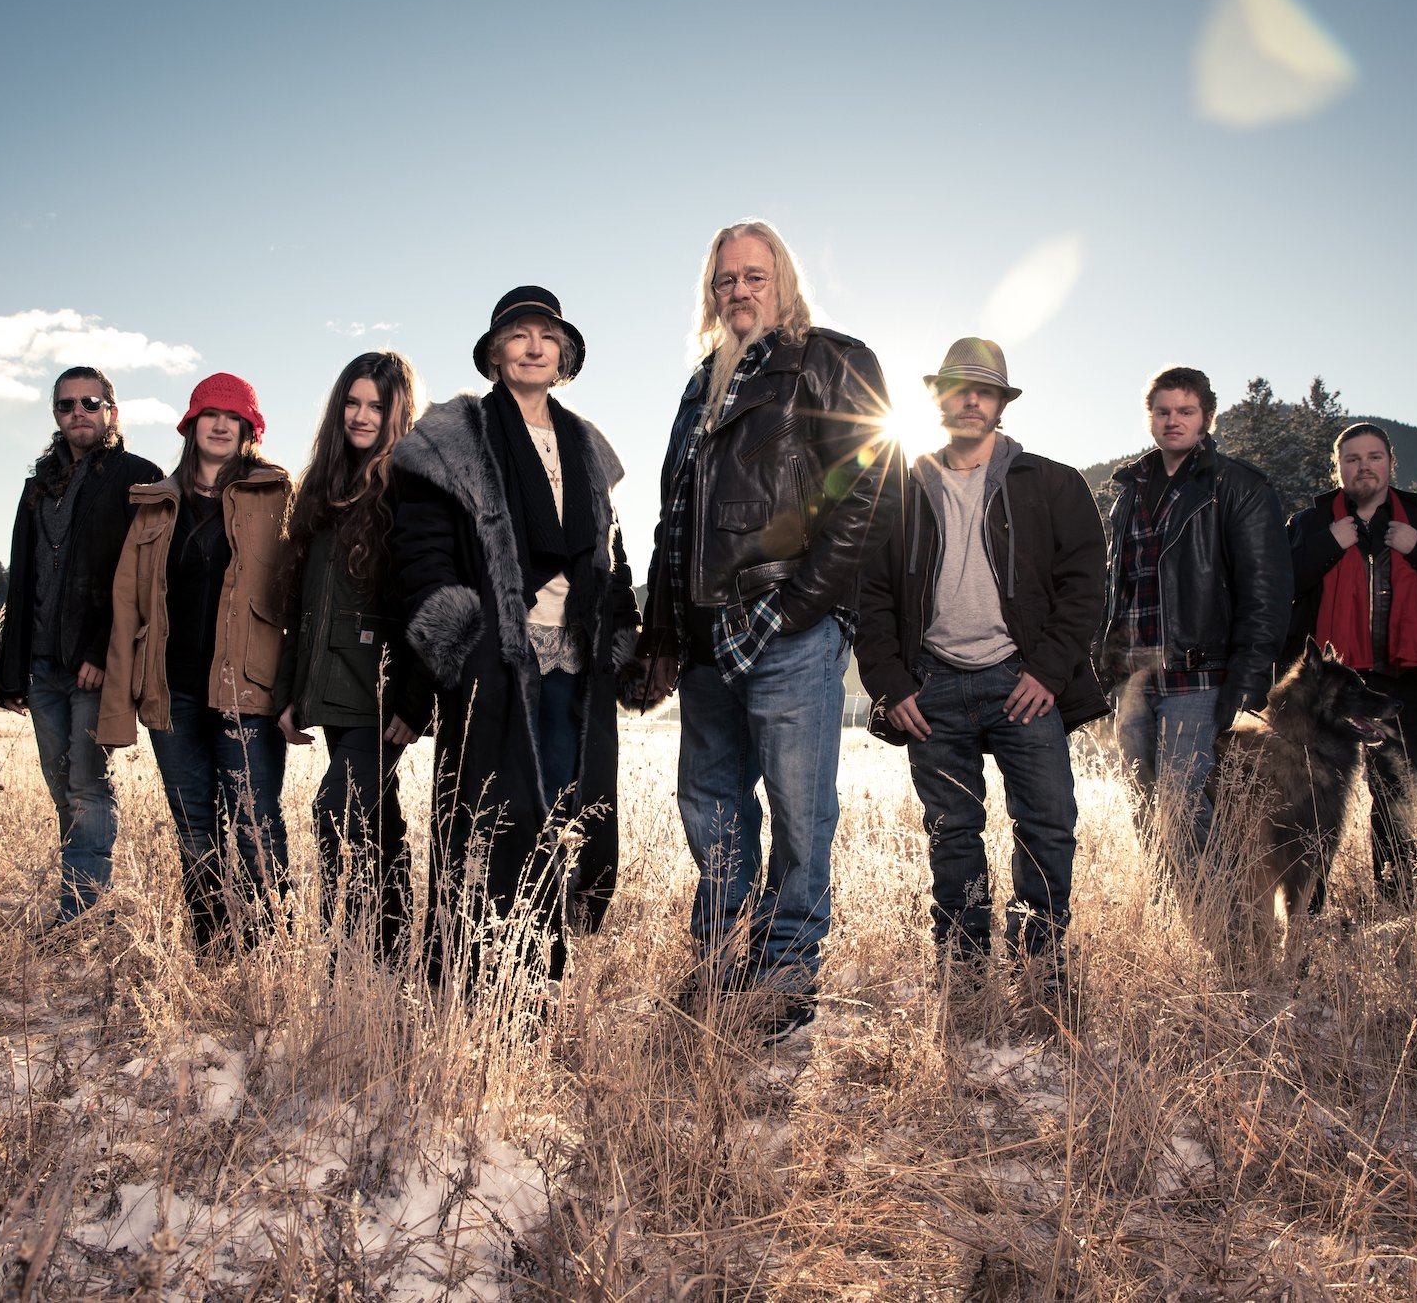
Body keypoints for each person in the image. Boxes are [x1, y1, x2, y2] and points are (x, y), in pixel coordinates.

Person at [639, 220, 892, 1042]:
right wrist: (663, 634)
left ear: (782, 280)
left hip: (790, 629)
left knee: (798, 809)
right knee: (710, 806)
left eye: (754, 276)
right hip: (710, 635)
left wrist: (797, 608)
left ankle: (786, 977)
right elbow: (673, 518)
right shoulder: (699, 387)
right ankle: (719, 963)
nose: (738, 292)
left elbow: (866, 496)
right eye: (724, 281)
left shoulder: (830, 359)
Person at [392, 287, 639, 990]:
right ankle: (477, 977)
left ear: (563, 356)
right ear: (496, 353)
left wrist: (620, 636)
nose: (534, 345)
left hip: (572, 661)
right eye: (518, 334)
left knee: (563, 816)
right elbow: (422, 550)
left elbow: (609, 558)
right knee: (489, 820)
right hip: (497, 660)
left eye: (547, 336)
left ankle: (539, 976)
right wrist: (463, 643)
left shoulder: (586, 445)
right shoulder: (457, 434)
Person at [856, 339, 1106, 1001]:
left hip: (1023, 683)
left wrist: (1048, 671)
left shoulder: (1051, 484)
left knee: (1048, 824)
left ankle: (1042, 974)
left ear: (1000, 403)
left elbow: (1085, 586)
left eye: (984, 390)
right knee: (952, 834)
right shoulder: (899, 487)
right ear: (938, 398)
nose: (970, 400)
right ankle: (964, 979)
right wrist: (891, 683)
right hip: (933, 685)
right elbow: (871, 595)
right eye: (958, 388)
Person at [96, 373, 292, 954]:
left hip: (246, 690)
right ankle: (212, 947)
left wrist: (293, 688)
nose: (220, 424)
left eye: (234, 417)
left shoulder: (277, 496)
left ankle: (270, 947)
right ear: (191, 424)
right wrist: (118, 706)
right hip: (174, 688)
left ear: (250, 429)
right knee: (194, 827)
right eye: (210, 413)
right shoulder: (158, 503)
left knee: (255, 822)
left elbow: (298, 594)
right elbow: (128, 603)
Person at [277, 352, 435, 961]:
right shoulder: (322, 489)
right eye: (353, 402)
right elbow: (304, 610)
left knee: (334, 811)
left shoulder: (411, 485)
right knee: (378, 821)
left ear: (398, 412)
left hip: (383, 694)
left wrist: (413, 696)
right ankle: (382, 959)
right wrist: (295, 693)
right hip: (335, 689)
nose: (362, 415)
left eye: (376, 405)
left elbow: (429, 596)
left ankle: (354, 943)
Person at [1286, 422, 1417, 906]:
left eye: (1373, 456)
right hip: (1334, 688)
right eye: (1352, 459)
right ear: (1339, 467)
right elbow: (1278, 587)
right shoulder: (1310, 526)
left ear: (1391, 463)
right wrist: (1330, 543)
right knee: (1313, 795)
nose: (1363, 466)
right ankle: (1308, 910)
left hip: (1408, 681)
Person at [1100, 366, 1289, 863]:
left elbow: (1265, 595)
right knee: (1144, 807)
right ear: (1150, 419)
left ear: (1207, 417)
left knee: (1186, 807)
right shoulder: (1129, 493)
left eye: (1185, 410)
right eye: (1162, 411)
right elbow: (1118, 590)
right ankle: (1171, 928)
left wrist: (1249, 684)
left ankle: (1220, 930)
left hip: (1199, 678)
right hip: (1135, 679)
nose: (1173, 420)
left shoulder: (1237, 486)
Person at [0, 367, 162, 934]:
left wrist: (101, 649)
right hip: (43, 664)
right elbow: (24, 578)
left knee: (88, 785)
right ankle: (84, 895)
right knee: (61, 783)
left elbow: (139, 575)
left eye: (90, 402)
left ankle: (80, 917)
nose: (78, 413)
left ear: (112, 409)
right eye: (65, 406)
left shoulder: (137, 477)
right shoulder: (40, 481)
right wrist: (11, 669)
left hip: (97, 664)